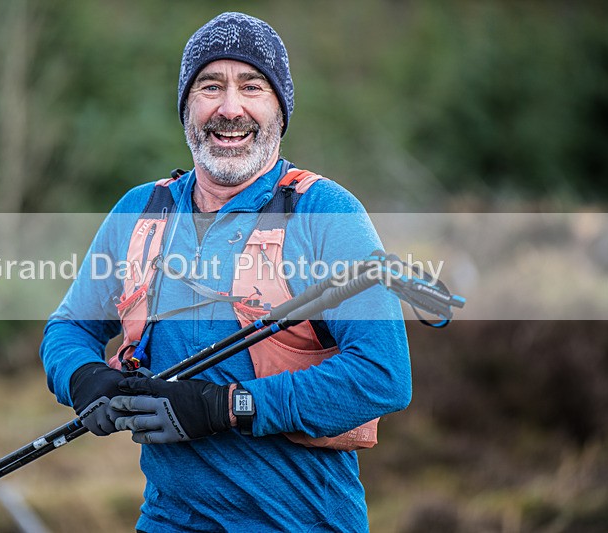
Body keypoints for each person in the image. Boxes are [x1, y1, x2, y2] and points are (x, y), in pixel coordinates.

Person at [40, 12, 411, 532]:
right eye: (210, 86)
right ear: (187, 107)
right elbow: (69, 328)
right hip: (168, 520)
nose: (230, 108)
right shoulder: (141, 211)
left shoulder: (326, 212)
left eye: (251, 87)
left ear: (280, 109)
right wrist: (82, 376)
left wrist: (228, 407)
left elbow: (383, 376)